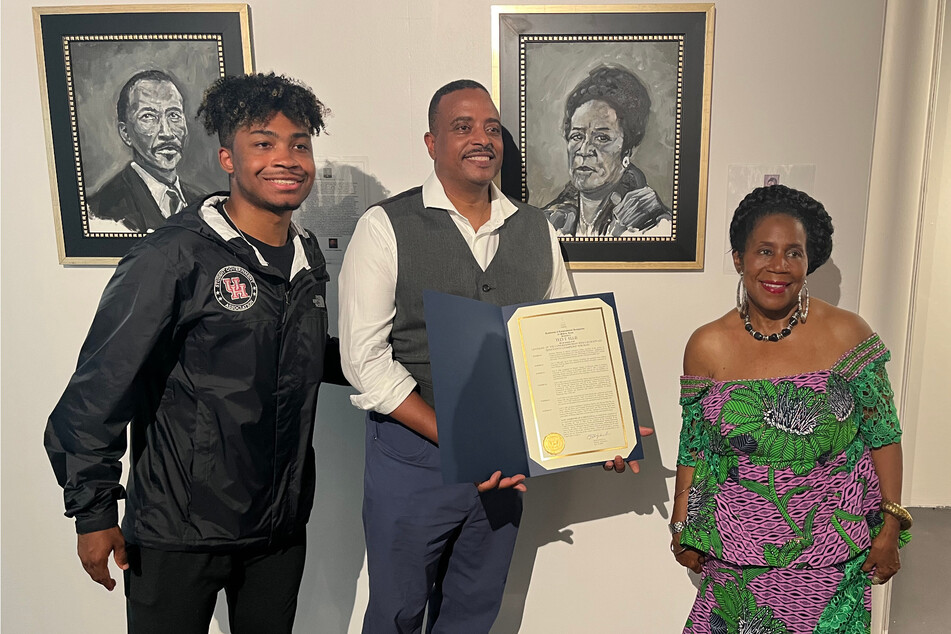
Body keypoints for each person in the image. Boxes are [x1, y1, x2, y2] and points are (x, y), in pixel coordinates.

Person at [339, 79, 647, 633]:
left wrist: (601, 432)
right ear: (431, 143)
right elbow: (364, 361)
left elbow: (564, 341)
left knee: (474, 612)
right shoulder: (384, 226)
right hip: (412, 462)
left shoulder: (538, 230)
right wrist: (459, 442)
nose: (481, 138)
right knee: (397, 613)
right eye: (462, 127)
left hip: (507, 465)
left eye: (490, 127)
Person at [45, 72, 345, 634]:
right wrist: (94, 512)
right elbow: (98, 390)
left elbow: (295, 355)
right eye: (264, 143)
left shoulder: (306, 254)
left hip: (276, 529)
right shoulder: (172, 256)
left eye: (299, 144)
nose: (286, 159)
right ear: (228, 158)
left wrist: (402, 364)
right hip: (178, 531)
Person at [671, 185, 910, 633]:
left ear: (808, 261)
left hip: (832, 557)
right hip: (736, 555)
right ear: (740, 259)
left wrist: (891, 526)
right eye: (765, 251)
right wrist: (681, 523)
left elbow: (884, 436)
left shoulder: (847, 335)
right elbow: (696, 446)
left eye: (794, 253)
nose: (779, 266)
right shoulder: (707, 345)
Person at [543, 65, 672, 238]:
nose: (584, 150)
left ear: (628, 151)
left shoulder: (653, 226)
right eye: (577, 136)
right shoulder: (550, 221)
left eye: (602, 138)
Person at [87, 70, 203, 233]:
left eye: (174, 115)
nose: (167, 133)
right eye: (148, 116)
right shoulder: (103, 211)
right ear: (125, 133)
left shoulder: (203, 204)